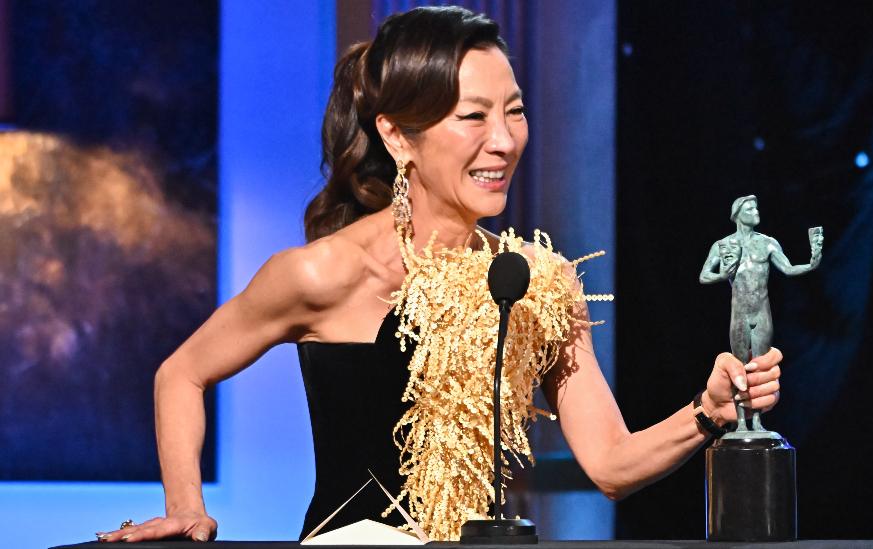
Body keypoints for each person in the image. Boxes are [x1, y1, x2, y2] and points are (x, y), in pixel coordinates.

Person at [96, 6, 782, 543]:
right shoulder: (325, 272)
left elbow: (608, 461)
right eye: (473, 117)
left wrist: (707, 413)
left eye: (514, 110)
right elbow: (180, 373)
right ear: (398, 136)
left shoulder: (538, 280)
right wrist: (187, 508)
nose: (505, 140)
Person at [699, 195, 820, 433]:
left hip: (761, 311)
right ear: (737, 214)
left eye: (757, 207)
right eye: (750, 208)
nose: (756, 211)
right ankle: (741, 422)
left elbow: (788, 268)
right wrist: (723, 275)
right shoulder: (724, 245)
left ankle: (757, 421)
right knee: (741, 367)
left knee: (759, 370)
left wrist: (812, 261)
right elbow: (704, 276)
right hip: (740, 314)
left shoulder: (768, 243)